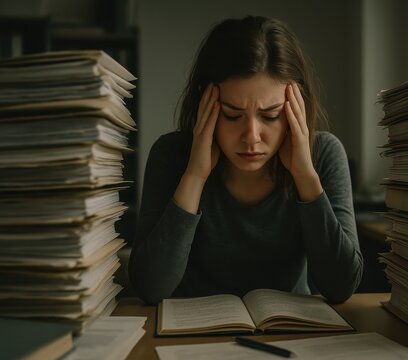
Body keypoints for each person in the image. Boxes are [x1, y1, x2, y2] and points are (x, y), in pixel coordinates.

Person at [129, 15, 363, 305]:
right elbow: (150, 287)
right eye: (232, 115)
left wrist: (305, 175)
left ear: (296, 109)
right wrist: (195, 176)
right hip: (192, 336)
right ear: (206, 105)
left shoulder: (324, 154)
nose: (251, 137)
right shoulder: (171, 155)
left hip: (289, 334)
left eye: (270, 116)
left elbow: (342, 287)